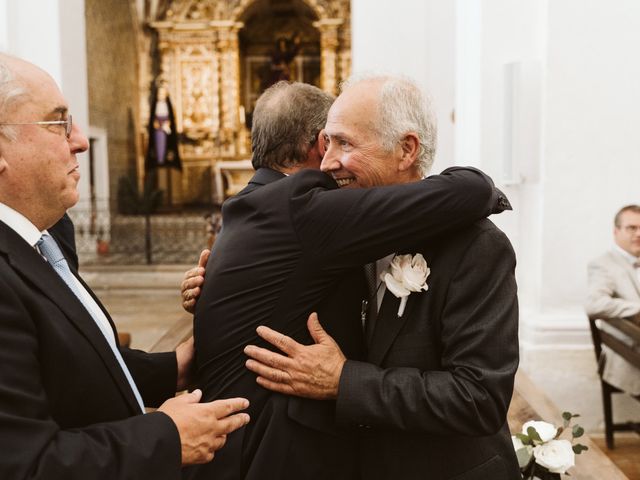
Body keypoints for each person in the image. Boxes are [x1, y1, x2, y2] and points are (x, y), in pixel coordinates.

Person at [183, 78, 514, 480]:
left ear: (407, 149)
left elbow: (479, 398)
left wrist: (344, 382)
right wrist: (215, 283)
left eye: (344, 144)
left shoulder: (477, 247)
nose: (325, 163)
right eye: (326, 143)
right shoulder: (336, 230)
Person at [0, 53, 249, 480]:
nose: (80, 140)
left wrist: (175, 367)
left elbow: (72, 363)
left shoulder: (48, 237)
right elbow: (26, 465)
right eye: (58, 123)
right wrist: (167, 438)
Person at [585, 204, 640, 396]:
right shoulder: (603, 265)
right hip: (629, 355)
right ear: (616, 232)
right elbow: (593, 304)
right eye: (631, 228)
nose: (638, 234)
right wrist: (637, 308)